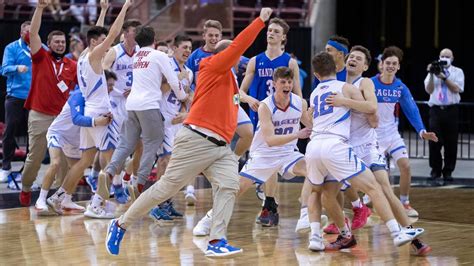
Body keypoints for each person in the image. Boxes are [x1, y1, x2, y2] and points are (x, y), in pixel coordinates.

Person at [106, 8, 273, 257]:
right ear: (226, 55)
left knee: (229, 186)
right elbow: (238, 46)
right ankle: (120, 224)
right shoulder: (213, 64)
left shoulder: (229, 78)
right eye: (236, 56)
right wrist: (260, 21)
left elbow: (222, 101)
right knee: (166, 188)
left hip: (219, 146)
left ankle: (216, 240)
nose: (240, 60)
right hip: (197, 140)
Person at [306, 51, 424, 251]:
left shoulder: (365, 83)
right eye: (351, 56)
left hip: (365, 146)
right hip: (341, 147)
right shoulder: (339, 84)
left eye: (358, 58)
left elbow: (372, 111)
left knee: (383, 188)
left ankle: (413, 238)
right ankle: (346, 231)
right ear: (341, 63)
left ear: (366, 66)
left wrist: (345, 102)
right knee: (328, 194)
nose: (353, 59)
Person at [192, 66, 312, 234]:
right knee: (236, 189)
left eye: (290, 82)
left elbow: (309, 124)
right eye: (283, 82)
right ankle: (209, 219)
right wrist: (297, 134)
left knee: (313, 170)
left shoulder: (300, 103)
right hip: (264, 154)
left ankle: (306, 216)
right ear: (275, 84)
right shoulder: (266, 106)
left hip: (288, 153)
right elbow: (270, 140)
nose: (287, 85)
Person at [185, 19, 254, 205]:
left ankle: (233, 160)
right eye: (211, 35)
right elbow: (188, 82)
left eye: (217, 35)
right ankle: (190, 189)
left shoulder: (229, 50)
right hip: (206, 106)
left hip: (231, 100)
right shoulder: (196, 57)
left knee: (248, 132)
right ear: (204, 35)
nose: (214, 38)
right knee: (198, 150)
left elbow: (251, 64)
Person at [19, 0, 78, 206]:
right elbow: (33, 34)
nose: (60, 45)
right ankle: (26, 187)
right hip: (40, 114)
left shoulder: (72, 65)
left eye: (63, 42)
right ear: (49, 43)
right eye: (57, 42)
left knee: (61, 161)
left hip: (61, 118)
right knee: (35, 157)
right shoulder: (40, 57)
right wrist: (40, 8)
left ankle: (59, 198)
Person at [372, 46, 438, 217]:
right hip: (373, 136)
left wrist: (421, 130)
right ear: (382, 64)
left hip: (392, 134)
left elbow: (412, 109)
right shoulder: (370, 83)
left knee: (406, 166)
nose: (391, 66)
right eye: (388, 63)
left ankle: (405, 203)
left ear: (399, 66)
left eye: (394, 63)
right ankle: (373, 204)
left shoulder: (400, 87)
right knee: (380, 175)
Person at [34, 85, 111, 214]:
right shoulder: (78, 95)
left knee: (79, 169)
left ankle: (66, 200)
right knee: (55, 163)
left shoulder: (99, 99)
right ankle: (41, 200)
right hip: (58, 133)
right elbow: (77, 119)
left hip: (75, 139)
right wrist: (97, 121)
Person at [149, 34, 194, 220]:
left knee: (176, 164)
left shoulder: (190, 72)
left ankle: (167, 202)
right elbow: (157, 90)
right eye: (184, 47)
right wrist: (175, 79)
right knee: (164, 161)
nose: (187, 51)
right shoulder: (164, 65)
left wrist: (185, 113)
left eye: (190, 48)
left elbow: (186, 97)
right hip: (161, 119)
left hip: (177, 120)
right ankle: (157, 205)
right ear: (174, 48)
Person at [424, 48, 464, 181]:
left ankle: (448, 171)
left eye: (447, 56)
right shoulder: (433, 70)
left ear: (452, 58)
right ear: (439, 57)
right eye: (442, 56)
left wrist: (444, 78)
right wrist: (431, 74)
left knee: (451, 142)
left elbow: (457, 89)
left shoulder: (457, 72)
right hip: (435, 110)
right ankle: (435, 170)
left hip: (451, 110)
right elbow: (429, 90)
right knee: (434, 140)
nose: (445, 58)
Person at [0, 21, 32, 183]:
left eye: (32, 32)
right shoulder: (12, 48)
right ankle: (6, 167)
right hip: (15, 96)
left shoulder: (41, 49)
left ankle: (28, 168)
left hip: (34, 97)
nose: (29, 35)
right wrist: (16, 68)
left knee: (33, 134)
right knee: (9, 131)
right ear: (21, 33)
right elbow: (3, 69)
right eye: (27, 32)